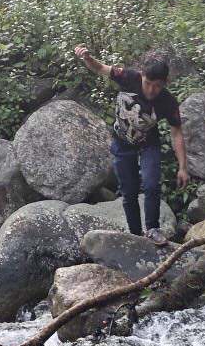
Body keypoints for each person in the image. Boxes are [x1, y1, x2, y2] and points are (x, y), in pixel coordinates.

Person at [74, 47, 187, 246]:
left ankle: (152, 228)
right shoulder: (127, 77)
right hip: (122, 142)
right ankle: (136, 235)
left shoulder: (168, 102)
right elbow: (99, 67)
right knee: (129, 191)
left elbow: (176, 132)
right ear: (141, 76)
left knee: (151, 184)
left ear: (165, 84)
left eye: (157, 86)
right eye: (148, 83)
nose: (151, 90)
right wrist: (87, 58)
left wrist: (182, 167)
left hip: (148, 145)